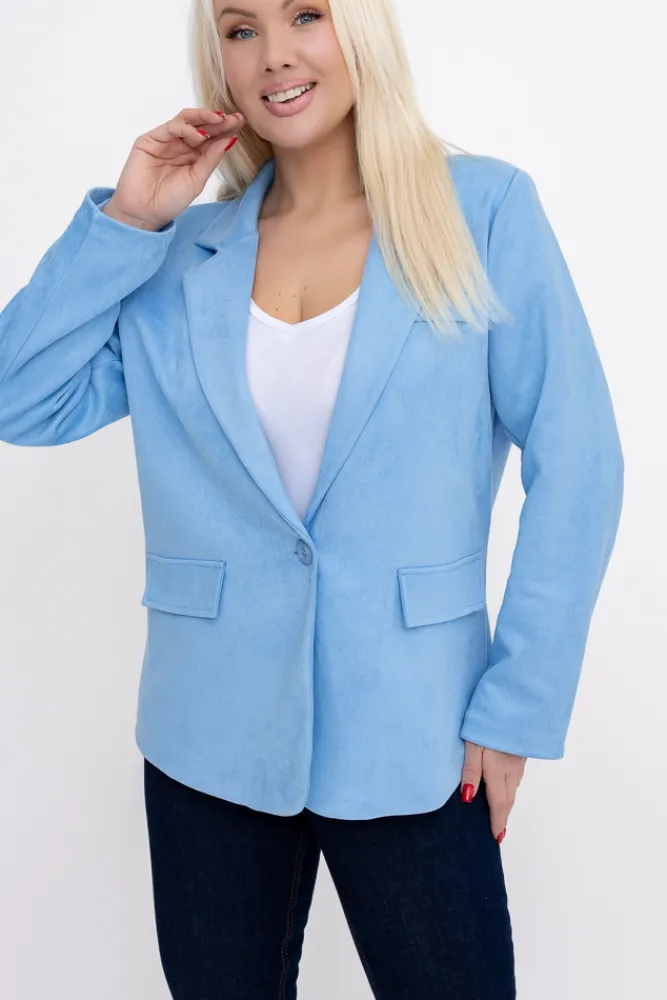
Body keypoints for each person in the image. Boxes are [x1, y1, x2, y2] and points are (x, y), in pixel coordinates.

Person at [0, 0, 624, 997]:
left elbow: (579, 462)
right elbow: (19, 397)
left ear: (360, 28)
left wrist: (516, 708)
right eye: (240, 28)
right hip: (208, 737)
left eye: (306, 15)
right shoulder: (178, 254)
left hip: (419, 733)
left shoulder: (483, 211)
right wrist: (128, 221)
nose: (274, 55)